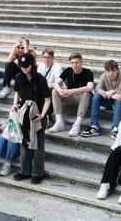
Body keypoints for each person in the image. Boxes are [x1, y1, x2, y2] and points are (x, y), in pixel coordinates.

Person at [12, 53, 51, 184]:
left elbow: (47, 99)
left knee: (38, 145)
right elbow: (17, 93)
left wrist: (42, 114)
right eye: (22, 66)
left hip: (37, 115)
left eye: (26, 66)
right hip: (23, 114)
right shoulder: (19, 77)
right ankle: (25, 171)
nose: (24, 68)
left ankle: (38, 173)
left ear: (32, 65)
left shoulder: (40, 79)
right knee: (24, 143)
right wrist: (15, 105)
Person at [82, 60, 121, 139]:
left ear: (117, 70)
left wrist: (114, 91)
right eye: (108, 71)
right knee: (96, 96)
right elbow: (97, 89)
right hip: (109, 102)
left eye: (113, 70)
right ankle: (94, 126)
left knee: (119, 98)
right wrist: (110, 95)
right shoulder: (104, 76)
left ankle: (116, 129)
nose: (111, 73)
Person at [50, 53, 94, 137]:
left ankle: (77, 124)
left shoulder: (88, 72)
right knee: (54, 91)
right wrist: (60, 90)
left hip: (82, 99)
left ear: (81, 62)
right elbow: (55, 83)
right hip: (70, 98)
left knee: (86, 94)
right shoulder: (68, 70)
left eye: (77, 62)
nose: (75, 65)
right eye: (72, 63)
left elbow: (90, 87)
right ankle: (59, 122)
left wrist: (72, 91)